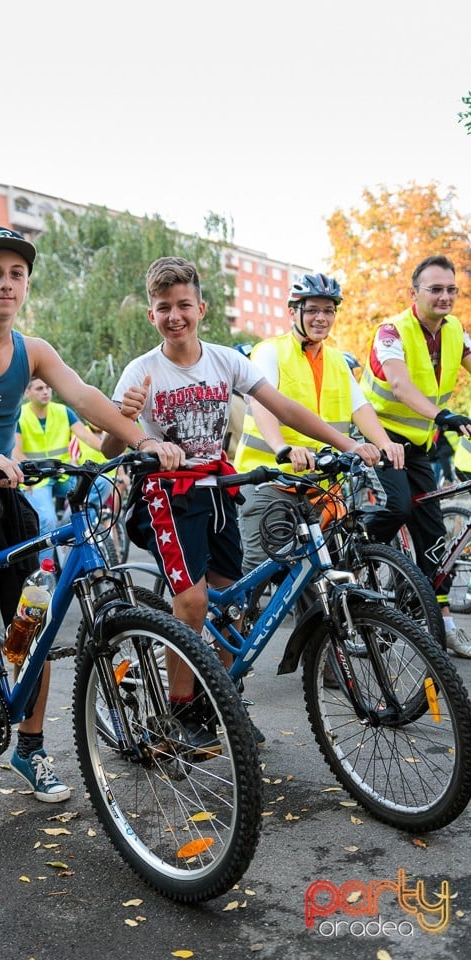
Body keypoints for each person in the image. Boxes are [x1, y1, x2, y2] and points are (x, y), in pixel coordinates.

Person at [0, 226, 183, 840]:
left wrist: (143, 439)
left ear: (25, 284)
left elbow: (87, 396)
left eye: (16, 273)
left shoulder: (33, 350)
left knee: (33, 623)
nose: (6, 282)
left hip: (3, 492)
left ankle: (30, 746)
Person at [101, 256, 381, 752]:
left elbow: (287, 408)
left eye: (183, 305)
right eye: (163, 308)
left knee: (231, 604)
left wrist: (347, 444)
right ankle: (181, 709)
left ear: (201, 308)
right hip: (167, 496)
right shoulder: (141, 371)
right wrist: (120, 420)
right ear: (152, 315)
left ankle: (222, 702)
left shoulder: (226, 361)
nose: (175, 316)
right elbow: (109, 447)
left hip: (219, 490)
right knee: (191, 601)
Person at [233, 273, 404, 575]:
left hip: (319, 484)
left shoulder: (338, 360)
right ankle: (232, 620)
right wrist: (281, 447)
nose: (321, 318)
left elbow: (360, 407)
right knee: (258, 572)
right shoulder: (270, 351)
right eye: (312, 310)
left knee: (318, 581)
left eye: (328, 311)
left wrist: (383, 443)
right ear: (292, 312)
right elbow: (261, 404)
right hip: (270, 481)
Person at [360, 254, 471, 658]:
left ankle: (442, 623)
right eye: (435, 289)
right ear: (414, 293)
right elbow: (402, 385)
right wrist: (444, 415)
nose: (445, 297)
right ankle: (357, 552)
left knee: (433, 540)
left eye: (451, 290)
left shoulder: (456, 329)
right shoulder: (391, 331)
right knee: (398, 506)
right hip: (380, 436)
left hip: (420, 445)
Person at [12, 378, 107, 559]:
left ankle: (68, 525)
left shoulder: (63, 412)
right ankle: (44, 576)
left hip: (62, 475)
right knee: (47, 520)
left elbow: (87, 437)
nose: (45, 391)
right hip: (36, 479)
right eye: (39, 388)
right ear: (27, 393)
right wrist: (30, 472)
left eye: (48, 387)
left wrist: (113, 449)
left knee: (102, 483)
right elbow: (16, 451)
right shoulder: (20, 415)